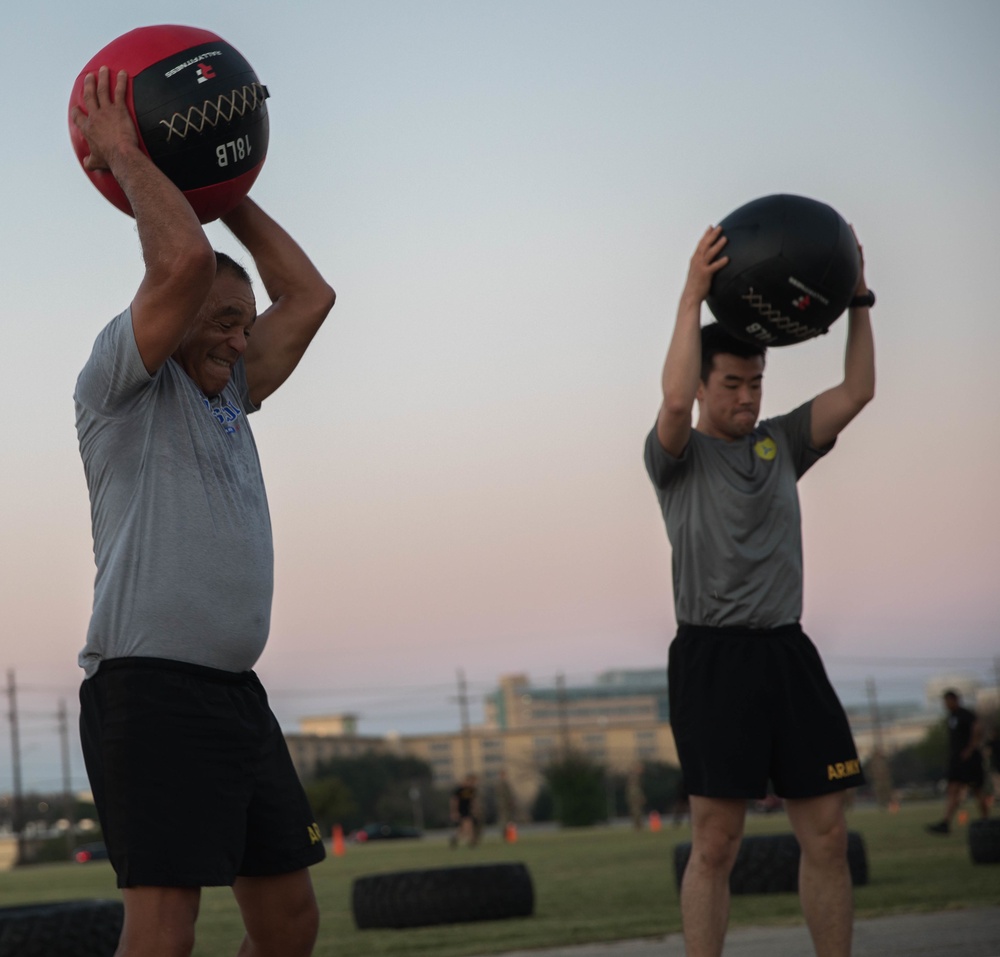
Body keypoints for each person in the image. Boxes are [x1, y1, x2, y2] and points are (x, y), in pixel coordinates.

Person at [72, 66, 337, 957]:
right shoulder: (120, 387)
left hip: (233, 697)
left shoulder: (232, 396)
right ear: (174, 319)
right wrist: (124, 152)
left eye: (242, 323)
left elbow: (311, 297)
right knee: (164, 926)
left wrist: (232, 191)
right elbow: (181, 264)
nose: (239, 336)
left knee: (290, 919)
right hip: (148, 690)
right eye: (223, 321)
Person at [644, 225, 875, 957]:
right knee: (716, 843)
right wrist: (690, 296)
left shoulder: (782, 443)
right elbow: (674, 399)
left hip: (787, 652)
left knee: (829, 832)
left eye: (756, 384)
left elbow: (859, 390)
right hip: (713, 658)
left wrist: (859, 296)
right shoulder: (675, 459)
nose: (747, 399)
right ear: (709, 385)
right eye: (733, 385)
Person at [926, 689, 989, 833]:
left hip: (969, 759)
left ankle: (987, 821)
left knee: (977, 790)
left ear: (955, 700)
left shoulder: (966, 715)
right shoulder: (951, 717)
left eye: (948, 701)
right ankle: (945, 822)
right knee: (953, 789)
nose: (946, 705)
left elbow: (977, 729)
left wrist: (970, 748)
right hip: (956, 760)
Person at [449, 773, 481, 847]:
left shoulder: (472, 790)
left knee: (467, 827)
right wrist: (454, 812)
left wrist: (475, 810)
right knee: (467, 826)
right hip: (461, 810)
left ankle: (457, 839)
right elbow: (454, 801)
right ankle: (470, 841)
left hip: (468, 810)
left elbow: (473, 801)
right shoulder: (459, 790)